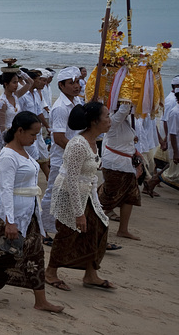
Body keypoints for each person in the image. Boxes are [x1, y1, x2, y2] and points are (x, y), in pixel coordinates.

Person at [0, 111, 64, 313]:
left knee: (35, 254)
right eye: (33, 134)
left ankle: (40, 300)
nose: (35, 139)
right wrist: (9, 221)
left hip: (29, 211)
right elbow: (8, 188)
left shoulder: (25, 152)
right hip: (10, 213)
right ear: (19, 131)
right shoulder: (8, 156)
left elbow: (7, 182)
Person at [45, 102, 116, 292]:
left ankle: (90, 273)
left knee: (99, 227)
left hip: (86, 193)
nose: (110, 120)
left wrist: (96, 204)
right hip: (69, 193)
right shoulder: (78, 144)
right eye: (106, 116)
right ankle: (50, 272)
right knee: (68, 233)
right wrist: (79, 213)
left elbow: (90, 178)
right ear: (94, 121)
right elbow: (72, 179)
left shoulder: (94, 142)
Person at [41, 67, 82, 243]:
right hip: (63, 158)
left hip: (74, 156)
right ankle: (43, 229)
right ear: (61, 85)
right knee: (53, 193)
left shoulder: (77, 101)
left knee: (71, 193)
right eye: (71, 83)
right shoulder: (60, 108)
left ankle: (64, 227)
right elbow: (58, 138)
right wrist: (78, 153)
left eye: (77, 82)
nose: (76, 86)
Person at [98, 101, 141, 240]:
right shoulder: (112, 120)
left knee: (130, 196)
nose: (129, 110)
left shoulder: (125, 121)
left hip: (126, 164)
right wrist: (128, 96)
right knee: (107, 198)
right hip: (115, 164)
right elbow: (123, 110)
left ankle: (123, 229)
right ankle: (93, 226)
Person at [18, 70, 50, 180]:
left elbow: (39, 111)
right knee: (31, 157)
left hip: (38, 131)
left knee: (43, 156)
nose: (42, 83)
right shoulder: (23, 95)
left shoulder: (36, 94)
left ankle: (49, 179)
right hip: (28, 131)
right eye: (39, 80)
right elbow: (20, 114)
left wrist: (47, 126)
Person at [0, 71, 32, 152]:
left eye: (17, 82)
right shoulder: (2, 102)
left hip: (16, 131)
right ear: (6, 84)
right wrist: (6, 140)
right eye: (14, 82)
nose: (17, 85)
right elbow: (2, 125)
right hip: (6, 133)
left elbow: (30, 83)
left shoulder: (15, 95)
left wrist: (20, 72)